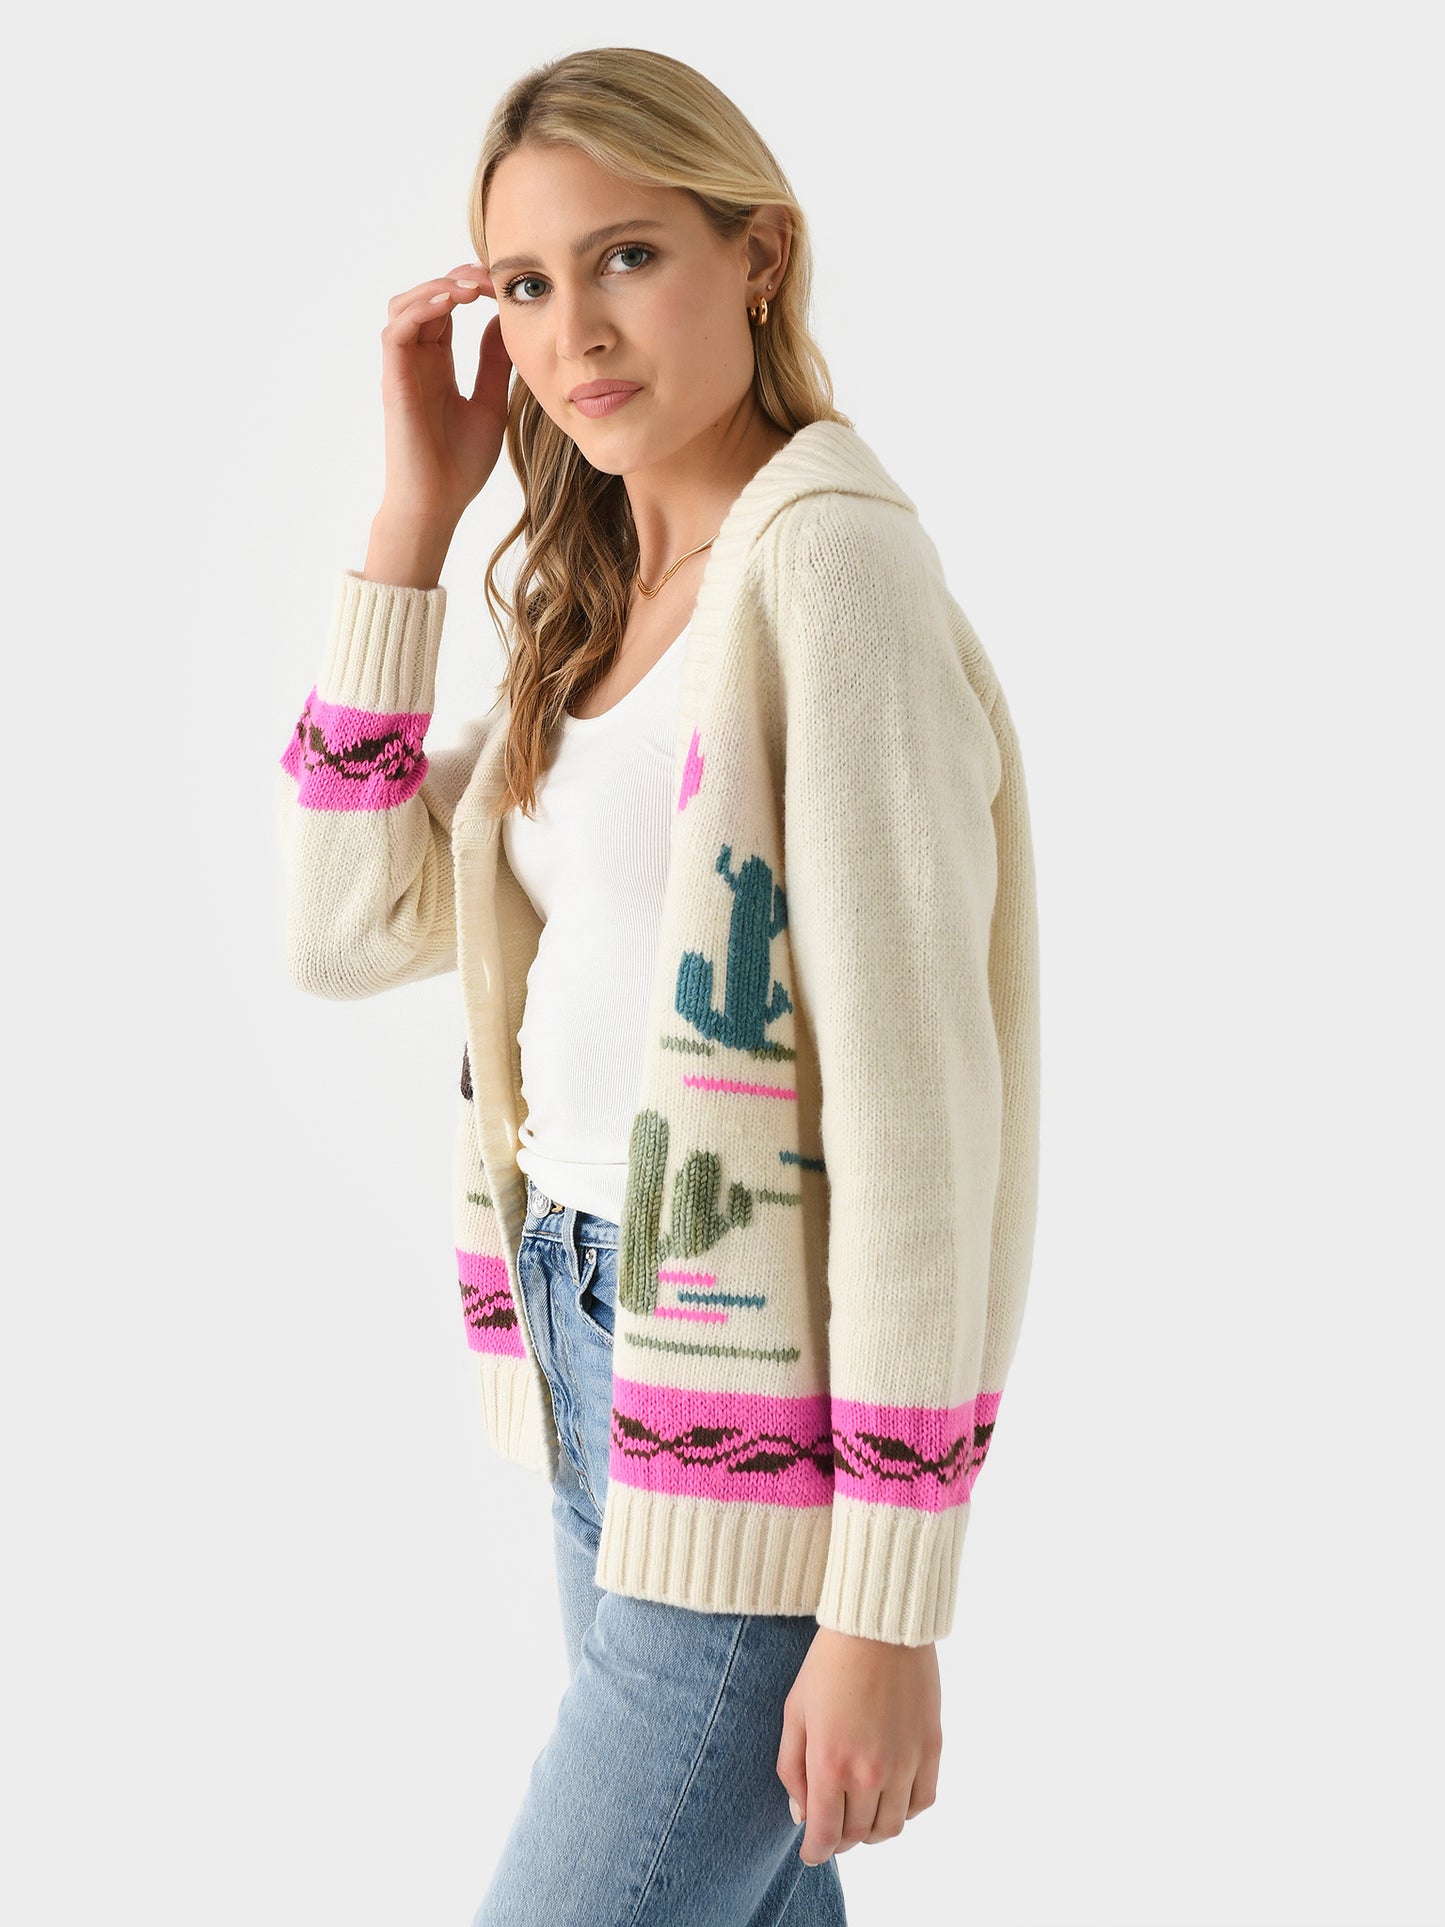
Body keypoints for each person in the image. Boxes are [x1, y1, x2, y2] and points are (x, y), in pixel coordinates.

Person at [275, 44, 1041, 1927]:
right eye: (527, 284)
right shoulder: (606, 600)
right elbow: (346, 929)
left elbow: (921, 1114)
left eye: (627, 256)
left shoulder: (824, 571)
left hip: (754, 1402)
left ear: (756, 256)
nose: (573, 334)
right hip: (589, 1336)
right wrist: (411, 527)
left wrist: (886, 1606)